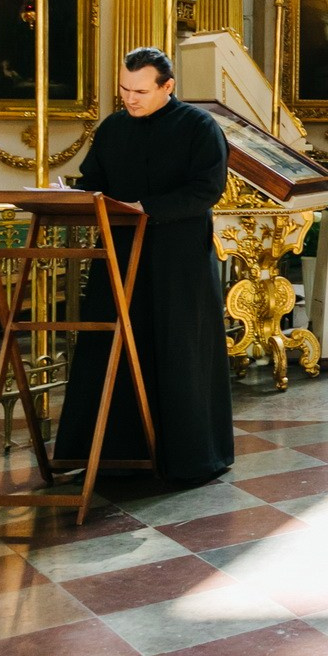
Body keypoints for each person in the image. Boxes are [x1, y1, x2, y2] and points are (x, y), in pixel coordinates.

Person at [53, 47, 235, 484]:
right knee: (110, 347)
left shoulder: (198, 126)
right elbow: (94, 180)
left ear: (167, 87)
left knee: (177, 351)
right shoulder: (113, 127)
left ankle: (190, 459)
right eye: (123, 89)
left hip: (178, 260)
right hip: (118, 255)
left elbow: (207, 189)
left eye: (139, 90)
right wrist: (76, 195)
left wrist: (145, 208)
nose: (129, 99)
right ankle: (111, 454)